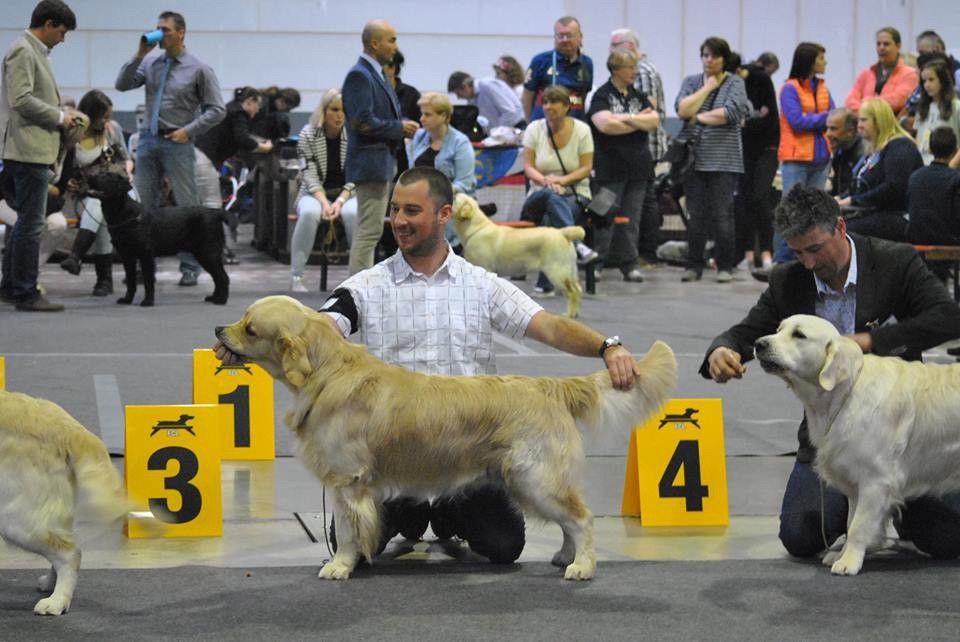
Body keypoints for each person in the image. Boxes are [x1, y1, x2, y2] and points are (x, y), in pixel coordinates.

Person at [216, 166, 639, 564]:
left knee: (503, 547)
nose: (399, 220)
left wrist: (608, 346)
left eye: (412, 211)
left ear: (444, 215)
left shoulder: (481, 283)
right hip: (394, 457)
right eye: (395, 210)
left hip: (470, 444)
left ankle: (451, 517)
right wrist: (249, 345)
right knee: (355, 552)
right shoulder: (365, 286)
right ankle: (412, 517)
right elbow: (318, 328)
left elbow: (549, 326)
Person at [701, 184, 960, 561]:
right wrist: (722, 350)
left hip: (907, 434)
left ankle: (886, 510)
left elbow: (948, 318)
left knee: (949, 541)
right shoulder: (788, 280)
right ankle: (869, 512)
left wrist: (869, 341)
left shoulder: (895, 262)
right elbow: (747, 332)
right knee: (801, 535)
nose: (807, 262)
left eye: (815, 248)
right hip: (827, 434)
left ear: (839, 227)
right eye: (797, 251)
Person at [115, 10, 225, 287]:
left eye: (165, 30)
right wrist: (139, 54)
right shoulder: (151, 63)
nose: (159, 33)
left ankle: (190, 266)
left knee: (188, 206)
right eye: (158, 28)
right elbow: (122, 84)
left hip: (178, 141)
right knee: (143, 206)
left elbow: (217, 110)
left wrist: (189, 130)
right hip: (149, 139)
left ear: (181, 33)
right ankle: (143, 267)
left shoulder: (199, 68)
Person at [0, 0, 77, 312]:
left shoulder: (32, 51)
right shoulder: (23, 50)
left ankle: (9, 287)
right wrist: (61, 117)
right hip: (28, 151)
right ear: (47, 24)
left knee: (24, 225)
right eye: (61, 31)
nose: (62, 38)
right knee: (31, 225)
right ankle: (26, 292)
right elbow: (21, 99)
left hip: (31, 150)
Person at [341, 19, 419, 275]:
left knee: (371, 230)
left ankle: (358, 290)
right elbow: (361, 121)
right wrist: (399, 128)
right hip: (370, 164)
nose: (395, 46)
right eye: (392, 40)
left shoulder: (374, 73)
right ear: (375, 44)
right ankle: (355, 293)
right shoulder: (359, 75)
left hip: (380, 163)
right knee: (368, 231)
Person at [675, 36, 750, 283]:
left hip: (725, 161)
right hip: (694, 160)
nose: (709, 60)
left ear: (723, 59)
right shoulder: (692, 82)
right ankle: (693, 265)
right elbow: (683, 110)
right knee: (696, 216)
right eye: (705, 55)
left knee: (722, 216)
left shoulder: (735, 82)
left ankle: (724, 266)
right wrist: (706, 89)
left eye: (714, 56)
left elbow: (730, 113)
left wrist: (698, 117)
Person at [587, 49, 659, 282]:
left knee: (631, 218)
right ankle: (597, 263)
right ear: (617, 69)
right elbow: (604, 126)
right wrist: (637, 120)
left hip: (638, 168)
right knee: (603, 215)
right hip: (609, 168)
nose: (635, 72)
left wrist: (624, 118)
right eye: (630, 67)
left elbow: (654, 120)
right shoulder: (602, 95)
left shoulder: (637, 95)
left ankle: (629, 264)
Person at [521, 85, 598, 294]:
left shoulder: (582, 130)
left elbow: (586, 168)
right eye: (545, 102)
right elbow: (528, 167)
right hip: (538, 194)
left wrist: (562, 181)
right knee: (549, 195)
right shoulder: (534, 129)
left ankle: (546, 284)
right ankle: (577, 245)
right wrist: (548, 182)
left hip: (574, 193)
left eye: (554, 102)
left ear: (567, 106)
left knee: (549, 221)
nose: (548, 107)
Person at [58, 90, 133, 297]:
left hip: (117, 191)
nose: (108, 121)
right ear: (89, 114)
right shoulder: (73, 133)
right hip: (85, 193)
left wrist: (127, 170)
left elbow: (126, 159)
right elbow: (63, 167)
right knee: (98, 208)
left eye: (110, 116)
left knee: (102, 209)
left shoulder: (113, 130)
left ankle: (77, 257)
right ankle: (103, 280)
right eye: (104, 116)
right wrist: (70, 181)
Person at [608, 27, 668, 267]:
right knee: (645, 200)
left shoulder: (642, 71)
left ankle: (647, 253)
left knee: (646, 201)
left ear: (629, 46)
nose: (610, 50)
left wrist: (621, 117)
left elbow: (649, 109)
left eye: (614, 45)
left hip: (647, 144)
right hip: (636, 141)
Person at [772, 42, 834, 265]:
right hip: (796, 159)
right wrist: (824, 118)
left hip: (821, 158)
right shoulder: (790, 88)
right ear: (809, 61)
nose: (824, 62)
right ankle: (782, 261)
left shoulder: (823, 87)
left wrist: (821, 119)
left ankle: (809, 259)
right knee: (790, 211)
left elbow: (833, 116)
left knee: (814, 212)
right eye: (821, 58)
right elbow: (796, 122)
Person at [289, 89, 356, 293]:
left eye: (343, 111)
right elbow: (308, 175)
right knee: (309, 213)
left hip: (349, 193)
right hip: (314, 193)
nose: (339, 115)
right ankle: (297, 276)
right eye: (334, 110)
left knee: (352, 214)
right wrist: (326, 203)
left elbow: (356, 174)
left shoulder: (354, 135)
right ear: (323, 111)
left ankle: (358, 278)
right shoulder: (307, 134)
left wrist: (340, 201)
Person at [836, 98, 923, 243]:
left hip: (899, 216)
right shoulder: (874, 149)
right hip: (877, 213)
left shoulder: (900, 146)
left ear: (879, 121)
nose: (859, 126)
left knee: (841, 232)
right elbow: (861, 185)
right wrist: (840, 198)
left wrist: (854, 200)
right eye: (859, 121)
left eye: (864, 121)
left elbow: (894, 187)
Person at [407, 92, 475, 247]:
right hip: (421, 201)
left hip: (452, 202)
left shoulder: (461, 143)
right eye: (421, 114)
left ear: (444, 116)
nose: (421, 119)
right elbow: (411, 174)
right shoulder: (418, 137)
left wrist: (433, 193)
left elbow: (464, 184)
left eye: (427, 115)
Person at [194, 86, 273, 210]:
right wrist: (265, 147)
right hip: (204, 159)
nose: (258, 110)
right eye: (258, 105)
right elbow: (242, 138)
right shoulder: (239, 113)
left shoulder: (229, 109)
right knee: (212, 203)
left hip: (198, 155)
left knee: (200, 200)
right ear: (250, 101)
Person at [735, 54, 779, 270]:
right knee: (744, 201)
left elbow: (770, 119)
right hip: (743, 151)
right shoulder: (729, 84)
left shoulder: (760, 79)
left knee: (761, 198)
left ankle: (768, 252)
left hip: (767, 149)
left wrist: (743, 124)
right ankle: (748, 255)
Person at [906, 127, 960, 280]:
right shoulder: (956, 179)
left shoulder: (916, 176)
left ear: (929, 149)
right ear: (955, 151)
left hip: (917, 238)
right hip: (948, 241)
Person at [522, 16, 593, 123]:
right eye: (560, 36)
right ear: (555, 38)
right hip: (543, 126)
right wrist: (530, 124)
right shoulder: (540, 61)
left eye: (569, 35)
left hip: (575, 126)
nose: (565, 40)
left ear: (580, 37)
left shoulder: (587, 63)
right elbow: (527, 96)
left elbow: (584, 95)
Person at [845, 26, 918, 116]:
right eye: (878, 44)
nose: (881, 48)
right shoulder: (865, 73)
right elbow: (850, 100)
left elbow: (898, 101)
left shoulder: (909, 74)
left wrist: (866, 104)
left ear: (898, 46)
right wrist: (864, 114)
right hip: (863, 124)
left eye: (886, 44)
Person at [914, 60, 960, 167]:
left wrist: (951, 167)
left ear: (942, 80)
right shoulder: (922, 107)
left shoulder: (956, 106)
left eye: (931, 80)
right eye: (924, 81)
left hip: (948, 165)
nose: (927, 85)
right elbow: (918, 139)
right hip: (923, 165)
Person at [447, 71, 524, 130]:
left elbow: (510, 112)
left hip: (517, 127)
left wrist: (497, 133)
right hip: (503, 132)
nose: (458, 98)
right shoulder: (471, 100)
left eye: (458, 93)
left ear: (465, 86)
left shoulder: (487, 85)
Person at [825, 107, 866, 197]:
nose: (828, 134)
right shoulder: (840, 150)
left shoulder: (863, 154)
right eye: (827, 128)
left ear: (850, 131)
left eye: (833, 129)